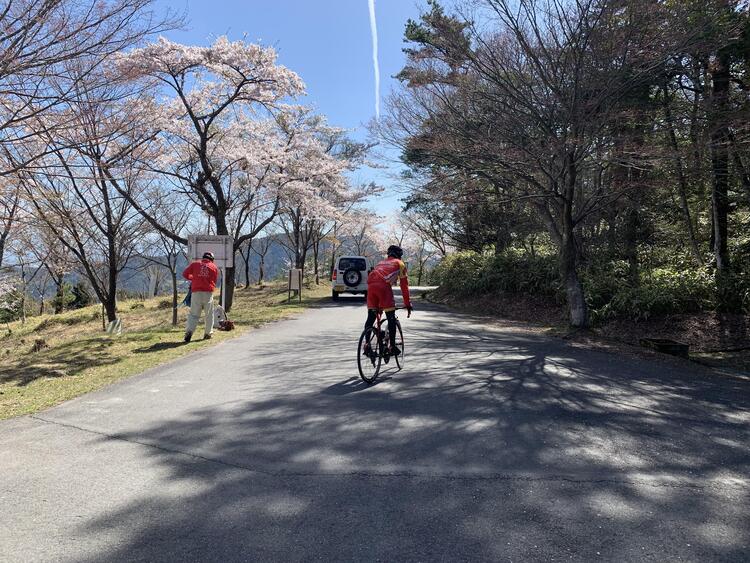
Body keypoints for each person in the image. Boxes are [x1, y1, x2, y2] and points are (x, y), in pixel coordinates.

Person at [364, 245, 413, 356]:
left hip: (370, 287)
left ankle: (367, 345)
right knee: (391, 316)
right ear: (399, 256)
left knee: (371, 317)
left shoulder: (380, 263)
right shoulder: (400, 264)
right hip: (383, 288)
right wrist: (407, 304)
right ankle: (392, 346)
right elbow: (404, 286)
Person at [182, 251, 219, 342]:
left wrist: (193, 278)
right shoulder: (214, 267)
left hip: (196, 293)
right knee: (209, 314)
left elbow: (185, 274)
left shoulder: (195, 264)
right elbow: (214, 281)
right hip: (208, 293)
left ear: (203, 257)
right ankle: (208, 333)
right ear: (212, 259)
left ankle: (189, 332)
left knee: (194, 314)